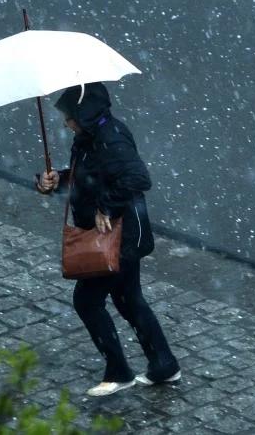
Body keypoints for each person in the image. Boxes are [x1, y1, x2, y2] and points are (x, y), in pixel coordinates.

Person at [35, 82, 180, 397]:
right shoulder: (89, 139)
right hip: (118, 237)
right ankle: (164, 364)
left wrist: (107, 206)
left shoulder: (110, 140)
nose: (66, 123)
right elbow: (89, 178)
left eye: (70, 116)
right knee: (129, 300)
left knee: (86, 301)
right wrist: (56, 180)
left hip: (119, 238)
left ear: (84, 115)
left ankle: (118, 371)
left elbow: (138, 178)